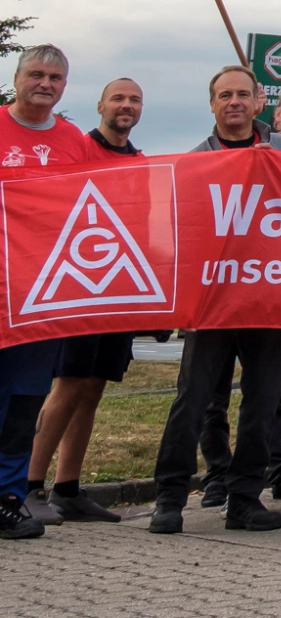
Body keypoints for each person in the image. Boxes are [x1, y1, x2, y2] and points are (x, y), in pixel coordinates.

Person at [150, 64, 281, 536]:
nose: (233, 102)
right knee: (192, 400)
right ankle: (169, 499)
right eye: (224, 95)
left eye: (243, 94)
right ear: (212, 104)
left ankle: (244, 498)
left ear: (259, 102)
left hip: (269, 299)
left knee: (260, 402)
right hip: (211, 301)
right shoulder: (193, 162)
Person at [25, 77, 145, 525]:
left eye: (134, 100)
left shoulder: (140, 161)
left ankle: (68, 488)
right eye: (118, 98)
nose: (126, 106)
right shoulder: (77, 148)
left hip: (119, 289)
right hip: (76, 287)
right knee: (70, 382)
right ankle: (28, 485)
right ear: (100, 105)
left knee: (94, 386)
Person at [0, 47, 97, 540]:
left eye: (55, 77)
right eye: (36, 74)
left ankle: (9, 498)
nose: (45, 83)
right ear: (16, 79)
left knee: (24, 402)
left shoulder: (73, 142)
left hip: (41, 298)